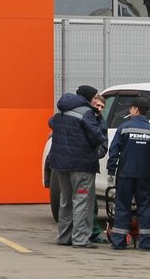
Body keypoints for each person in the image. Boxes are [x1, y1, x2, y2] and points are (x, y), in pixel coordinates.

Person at [49, 84, 107, 248]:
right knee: (82, 200)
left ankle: (64, 237)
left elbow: (51, 122)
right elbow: (96, 136)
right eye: (94, 96)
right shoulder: (87, 113)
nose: (95, 100)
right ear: (88, 97)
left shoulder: (64, 109)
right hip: (81, 164)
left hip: (60, 164)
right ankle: (80, 239)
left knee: (66, 200)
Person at [106, 97, 150, 251]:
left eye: (130, 108)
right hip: (145, 176)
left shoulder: (124, 128)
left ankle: (119, 242)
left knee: (122, 206)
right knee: (145, 207)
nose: (129, 111)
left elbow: (114, 150)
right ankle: (145, 243)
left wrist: (111, 170)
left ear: (135, 109)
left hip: (125, 174)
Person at [89, 94, 109, 244]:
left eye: (102, 107)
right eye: (97, 105)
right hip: (81, 164)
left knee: (91, 201)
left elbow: (104, 145)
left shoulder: (102, 122)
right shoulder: (85, 118)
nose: (100, 109)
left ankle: (93, 232)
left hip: (90, 164)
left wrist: (94, 155)